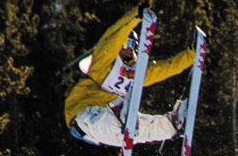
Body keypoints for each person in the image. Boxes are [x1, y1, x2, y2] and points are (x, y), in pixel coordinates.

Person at [65, 10, 194, 146]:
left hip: (103, 131)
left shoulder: (137, 72)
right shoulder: (103, 63)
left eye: (132, 46)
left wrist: (193, 54)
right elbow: (114, 36)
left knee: (138, 132)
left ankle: (170, 125)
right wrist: (136, 15)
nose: (129, 50)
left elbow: (168, 67)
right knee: (109, 121)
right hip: (83, 115)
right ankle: (121, 115)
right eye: (126, 44)